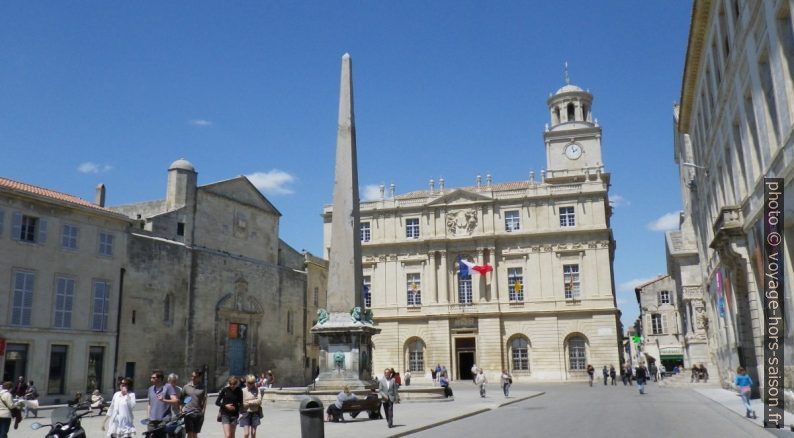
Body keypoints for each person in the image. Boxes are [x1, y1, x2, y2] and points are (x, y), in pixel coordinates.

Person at [147, 370, 178, 437]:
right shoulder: (150, 389)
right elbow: (149, 404)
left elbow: (175, 400)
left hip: (163, 420)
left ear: (159, 378)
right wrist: (149, 416)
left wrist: (163, 400)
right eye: (151, 377)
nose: (151, 379)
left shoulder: (168, 387)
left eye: (153, 377)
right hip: (152, 421)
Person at [182, 369, 207, 438]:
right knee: (190, 433)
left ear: (199, 377)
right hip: (188, 413)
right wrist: (181, 409)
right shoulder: (186, 387)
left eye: (195, 376)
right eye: (192, 376)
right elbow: (181, 399)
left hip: (198, 413)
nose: (193, 378)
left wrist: (203, 413)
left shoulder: (203, 387)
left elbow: (204, 401)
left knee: (195, 434)